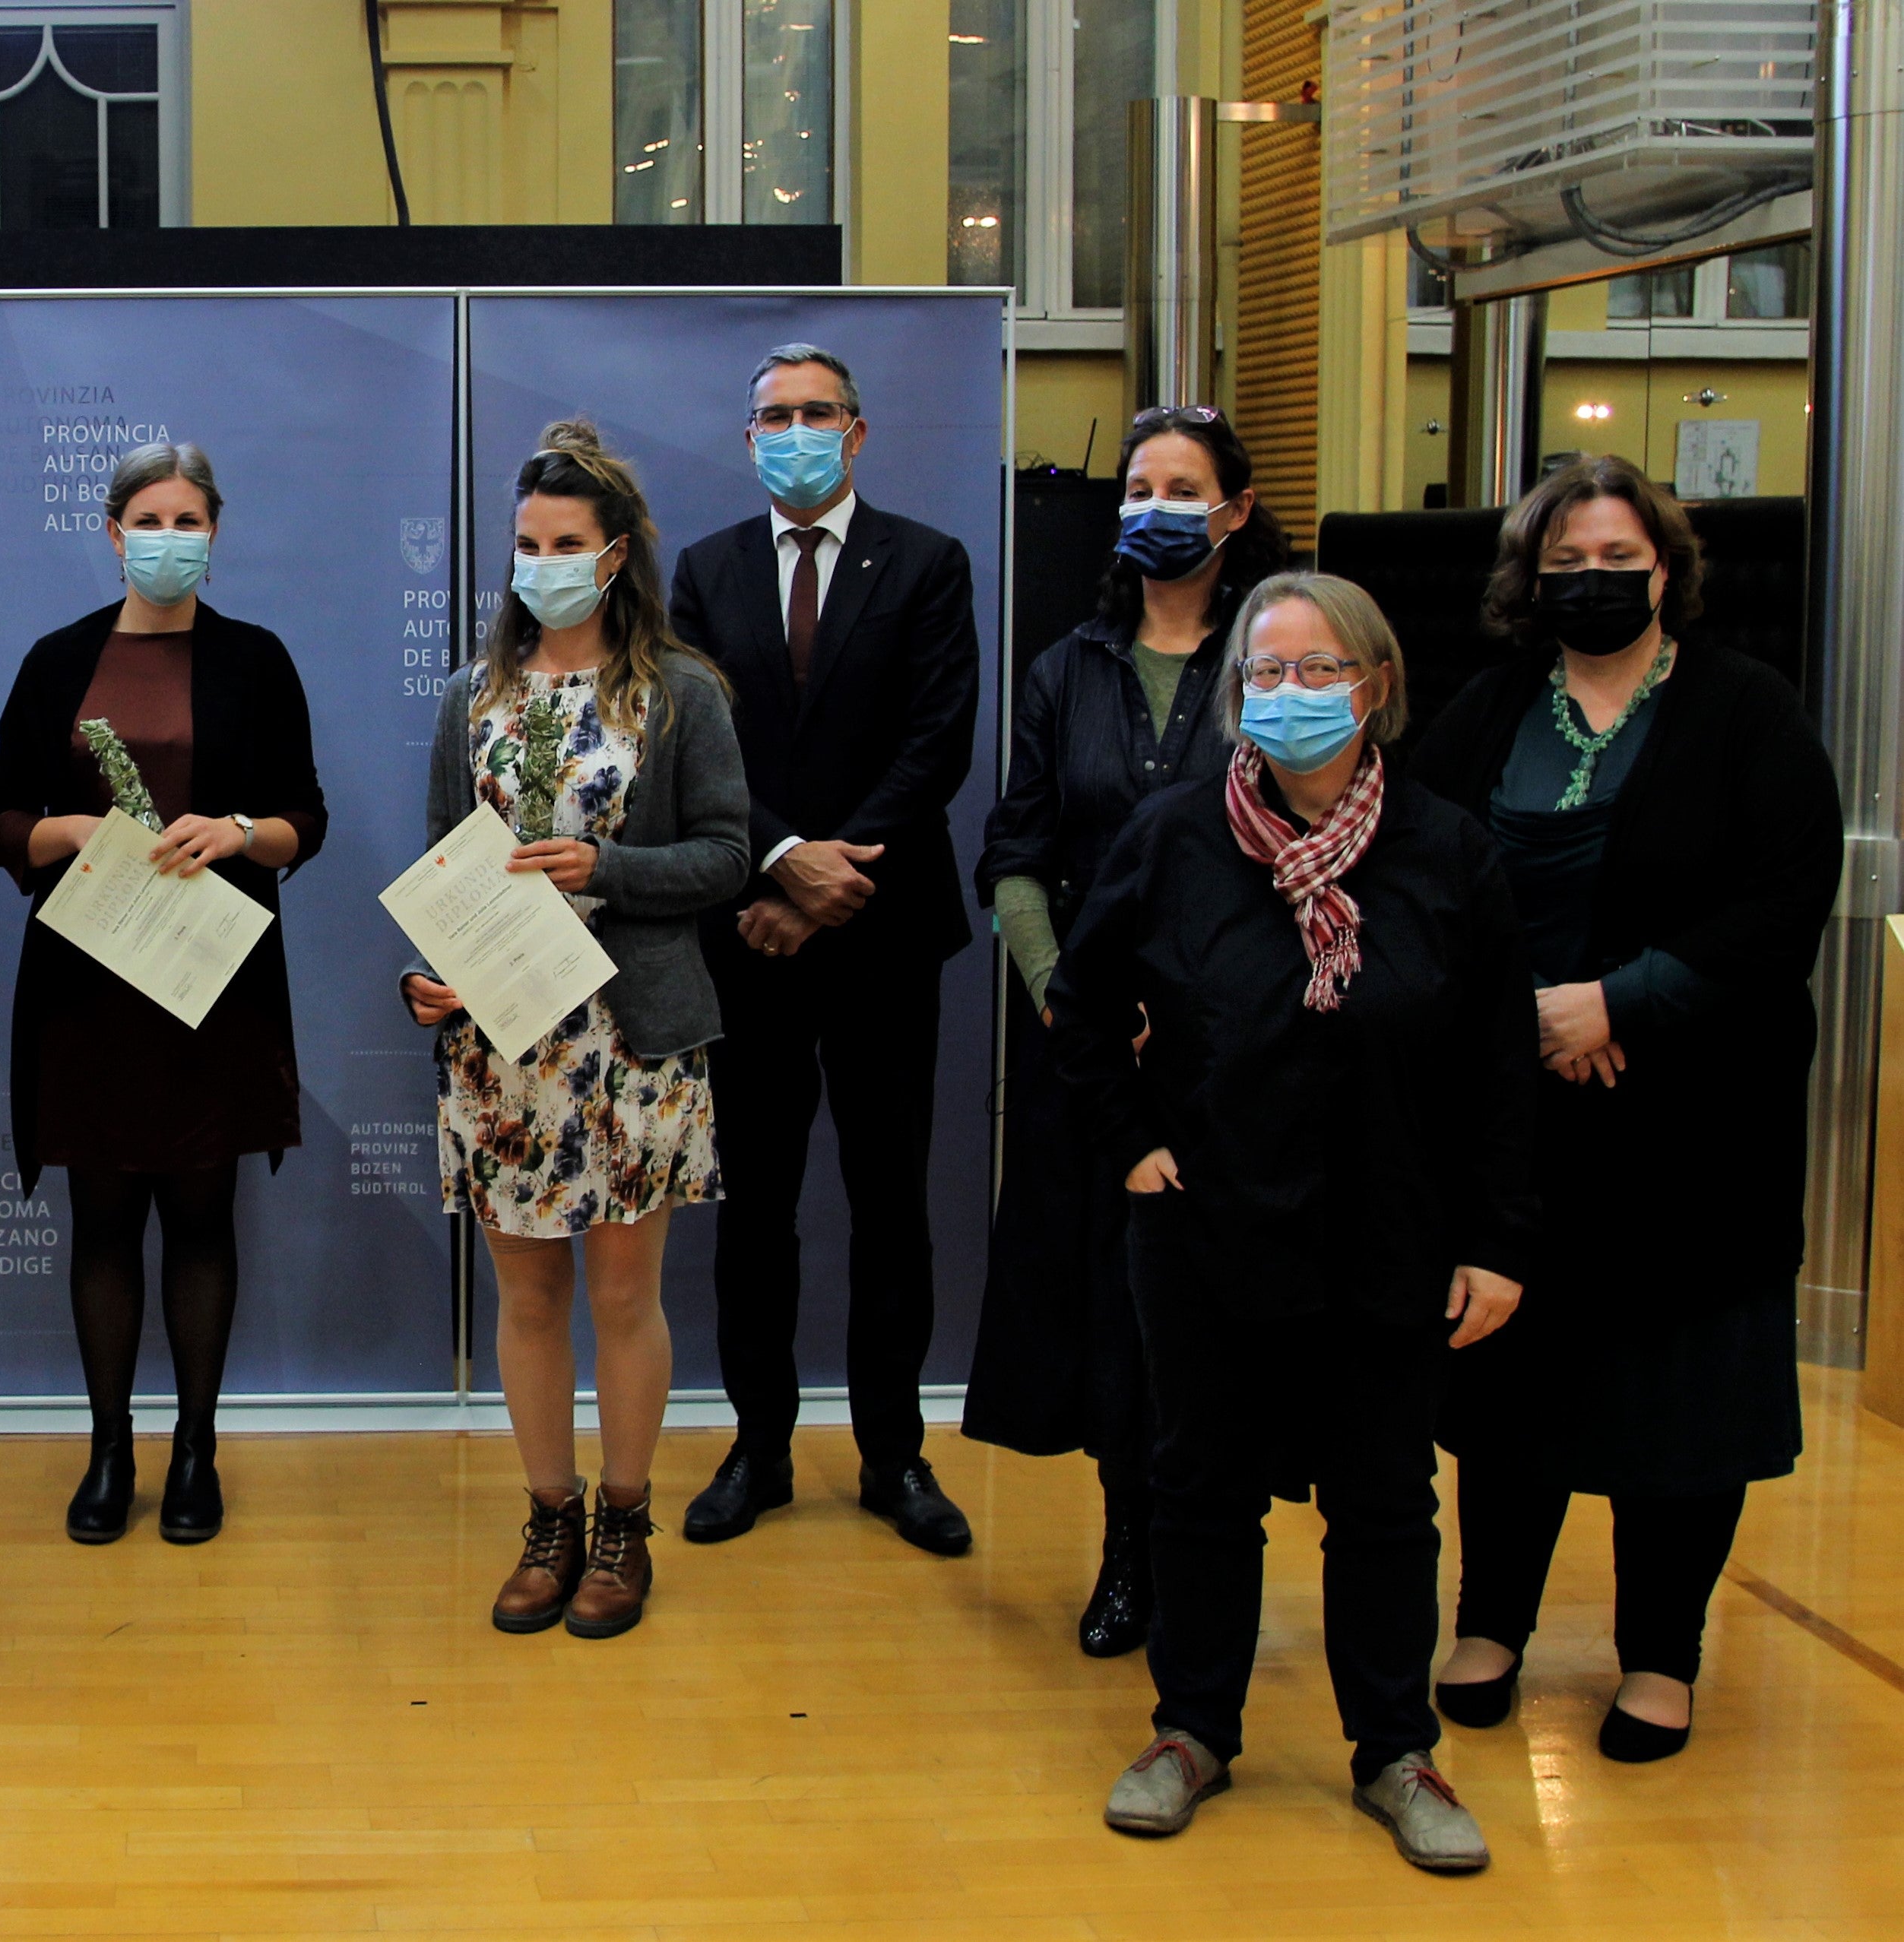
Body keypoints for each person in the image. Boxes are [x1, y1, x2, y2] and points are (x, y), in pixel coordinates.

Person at [1050, 572, 1535, 1874]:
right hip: (1206, 1227)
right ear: (1236, 694)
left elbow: (1500, 1065)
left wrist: (1496, 1242)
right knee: (1199, 1489)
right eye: (1266, 672)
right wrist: (1133, 1144)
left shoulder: (1448, 851)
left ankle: (1396, 1753)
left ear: (1376, 686)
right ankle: (1192, 1732)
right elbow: (1080, 1007)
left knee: (1385, 1504)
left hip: (1393, 1232)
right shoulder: (1171, 838)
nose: (1291, 694)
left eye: (1320, 671)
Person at [1412, 457, 1841, 1763]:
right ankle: (1491, 1625)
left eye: (1617, 560)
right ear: (1529, 578)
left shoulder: (1750, 709)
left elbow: (1785, 901)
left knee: (1682, 1398)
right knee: (1512, 1384)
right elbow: (1425, 878)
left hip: (1698, 1120)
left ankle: (1662, 1655)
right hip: (1521, 1111)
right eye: (1567, 564)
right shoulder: (1488, 709)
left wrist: (1620, 1004)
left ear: (1667, 570)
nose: (1591, 581)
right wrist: (1529, 1019)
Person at [403, 423, 751, 1640]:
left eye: (565, 544)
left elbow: (727, 855)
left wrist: (608, 866)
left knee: (624, 1296)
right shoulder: (473, 697)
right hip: (503, 1045)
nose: (541, 564)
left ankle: (624, 1522)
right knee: (529, 1298)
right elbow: (445, 866)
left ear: (614, 556)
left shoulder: (680, 691)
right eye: (526, 544)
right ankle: (548, 1518)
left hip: (633, 1041)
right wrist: (433, 979)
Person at [965, 405, 1291, 1658]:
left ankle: (1214, 1558)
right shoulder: (1069, 668)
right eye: (1139, 487)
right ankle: (1126, 1555)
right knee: (1112, 1307)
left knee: (1223, 1311)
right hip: (1093, 1057)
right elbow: (1017, 854)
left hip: (1242, 1054)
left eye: (1183, 487)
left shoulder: (1279, 661)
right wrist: (1069, 1002)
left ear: (1235, 512)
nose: (1156, 507)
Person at [664, 343, 982, 1557]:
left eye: (816, 412)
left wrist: (827, 881)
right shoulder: (707, 571)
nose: (793, 431)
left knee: (892, 1205)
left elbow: (938, 740)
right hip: (749, 934)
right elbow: (691, 744)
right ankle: (760, 1450)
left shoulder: (928, 562)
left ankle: (895, 1454)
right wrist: (785, 860)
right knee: (756, 1210)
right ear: (749, 440)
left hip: (883, 931)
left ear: (856, 431)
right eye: (772, 416)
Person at [0, 441, 327, 1547]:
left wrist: (238, 830)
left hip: (210, 983)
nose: (168, 538)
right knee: (99, 1222)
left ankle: (195, 1450)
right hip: (86, 987)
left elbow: (306, 819)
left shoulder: (257, 659)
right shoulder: (56, 661)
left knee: (199, 1218)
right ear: (112, 532)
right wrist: (69, 830)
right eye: (149, 519)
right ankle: (107, 1452)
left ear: (214, 534)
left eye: (188, 520)